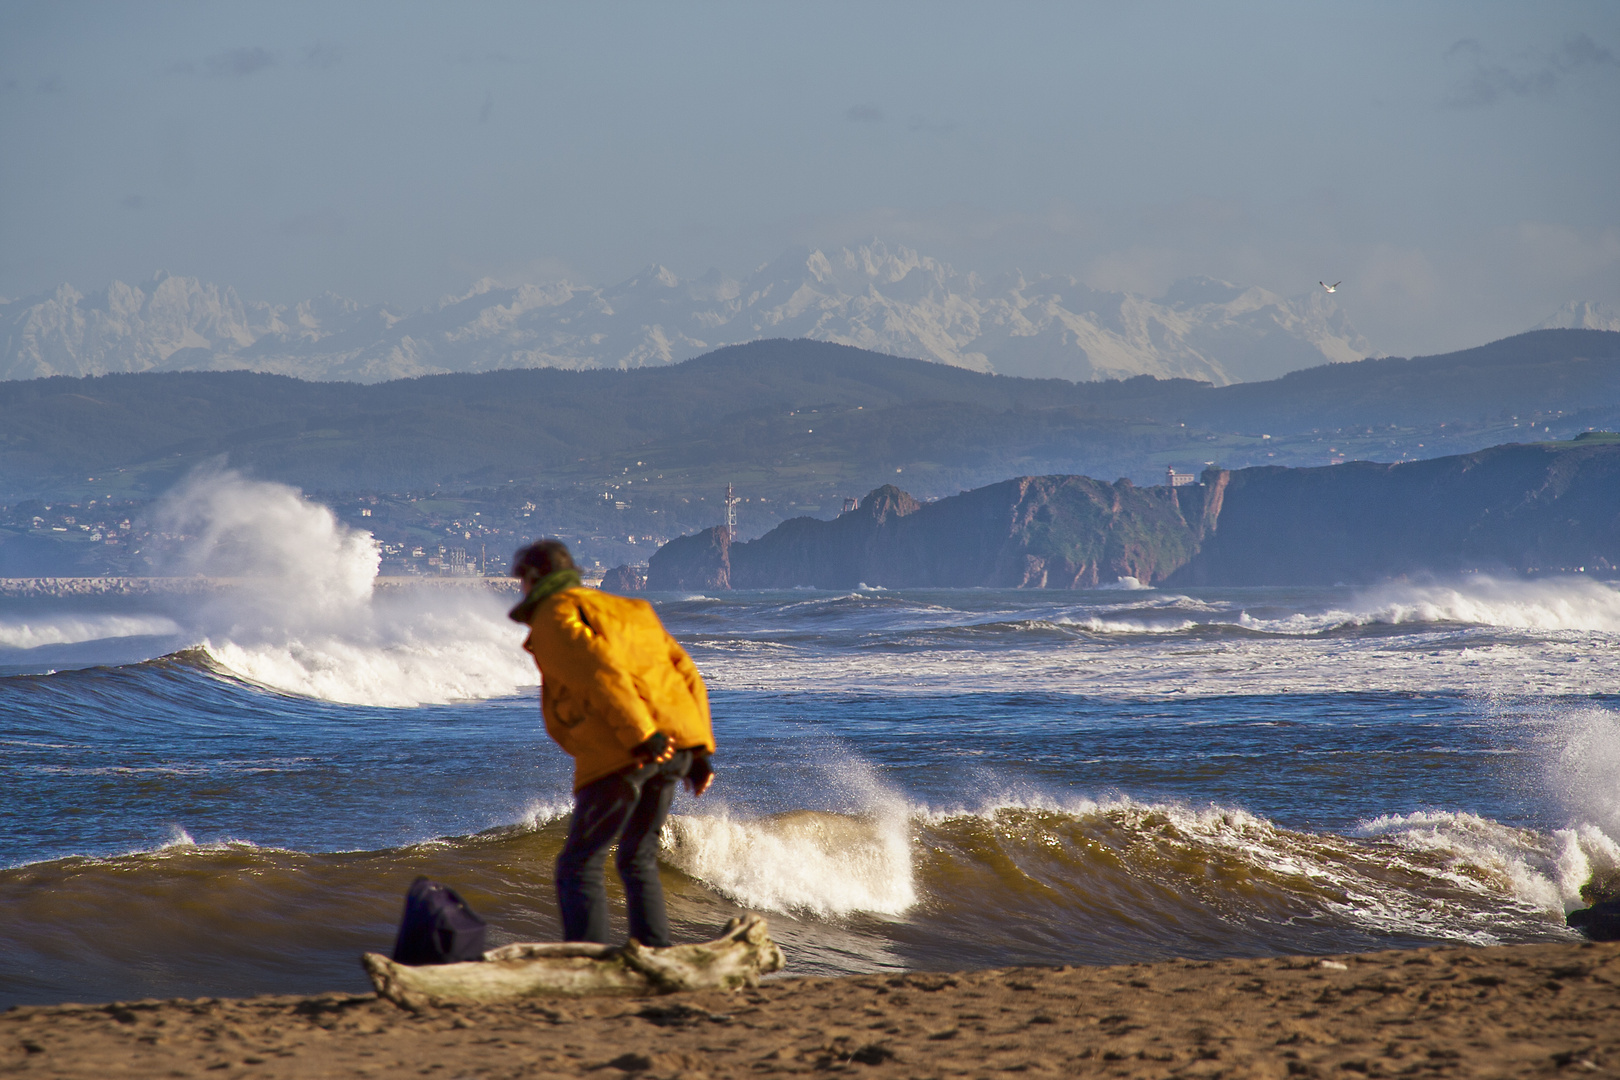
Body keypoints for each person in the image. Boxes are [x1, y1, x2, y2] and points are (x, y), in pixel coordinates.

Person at [508, 539, 715, 947]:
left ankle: (588, 961)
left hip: (625, 750)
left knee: (577, 866)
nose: (521, 589)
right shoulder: (633, 610)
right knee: (637, 859)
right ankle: (654, 954)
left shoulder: (555, 613)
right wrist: (700, 750)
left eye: (521, 581)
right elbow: (685, 671)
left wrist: (642, 736)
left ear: (534, 578)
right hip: (674, 747)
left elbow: (599, 673)